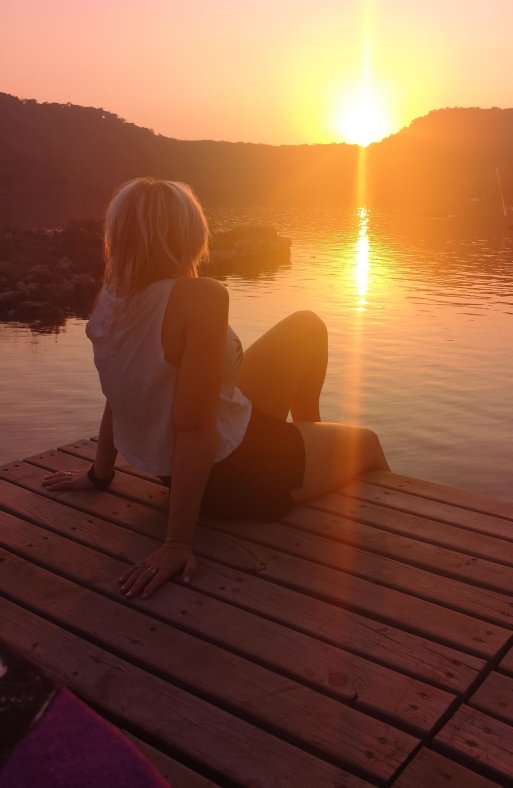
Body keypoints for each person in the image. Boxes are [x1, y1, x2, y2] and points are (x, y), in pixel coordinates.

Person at [41, 177, 390, 600]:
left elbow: (120, 391)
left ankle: (307, 443)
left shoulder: (112, 299)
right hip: (236, 473)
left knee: (306, 328)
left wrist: (99, 475)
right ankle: (299, 466)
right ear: (187, 234)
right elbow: (193, 428)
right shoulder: (201, 296)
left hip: (198, 459)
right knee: (368, 444)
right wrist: (176, 543)